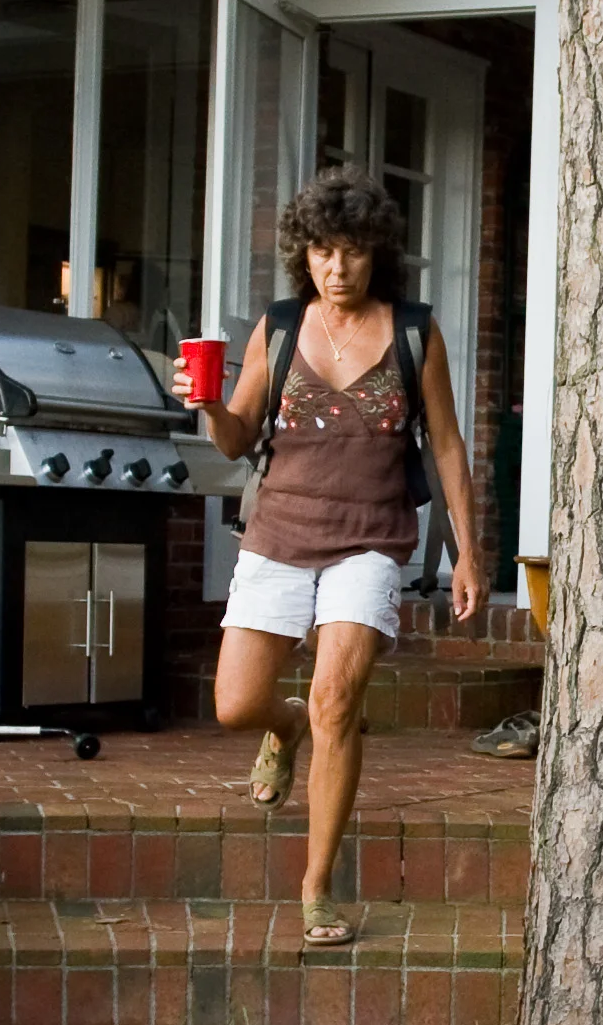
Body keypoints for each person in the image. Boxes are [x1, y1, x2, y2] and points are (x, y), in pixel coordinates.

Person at [192, 169, 484, 947]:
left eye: (352, 252)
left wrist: (468, 553)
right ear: (305, 255)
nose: (337, 268)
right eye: (323, 251)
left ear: (374, 254)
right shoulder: (280, 327)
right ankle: (279, 731)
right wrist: (211, 404)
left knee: (337, 704)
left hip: (370, 539)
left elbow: (449, 447)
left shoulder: (414, 330)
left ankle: (316, 890)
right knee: (235, 705)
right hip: (279, 536)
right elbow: (236, 439)